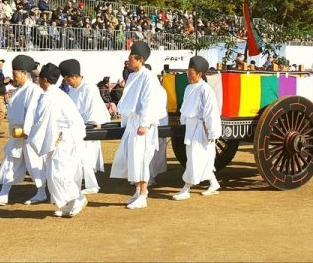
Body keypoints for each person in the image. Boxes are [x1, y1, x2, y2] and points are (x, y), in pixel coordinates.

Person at [110, 42, 168, 209]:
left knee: (141, 159)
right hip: (132, 123)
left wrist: (144, 123)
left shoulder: (148, 77)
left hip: (143, 124)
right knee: (131, 158)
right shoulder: (133, 76)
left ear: (140, 60)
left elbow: (148, 101)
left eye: (131, 58)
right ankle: (137, 190)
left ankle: (143, 193)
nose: (128, 61)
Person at [0, 55, 47, 206]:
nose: (14, 77)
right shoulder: (19, 90)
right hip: (17, 134)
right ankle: (3, 193)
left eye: (16, 74)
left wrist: (26, 131)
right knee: (10, 162)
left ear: (25, 73)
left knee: (35, 164)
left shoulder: (33, 90)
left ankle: (41, 192)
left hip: (27, 134)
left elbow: (32, 112)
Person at [28, 63, 88, 217]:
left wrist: (31, 134)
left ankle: (78, 198)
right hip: (65, 138)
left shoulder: (49, 97)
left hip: (63, 140)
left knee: (58, 174)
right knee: (60, 173)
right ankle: (68, 204)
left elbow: (41, 121)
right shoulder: (60, 94)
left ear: (45, 80)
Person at [173, 56, 222, 200]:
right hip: (190, 127)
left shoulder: (206, 90)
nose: (189, 76)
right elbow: (185, 108)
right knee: (199, 158)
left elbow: (210, 112)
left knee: (195, 158)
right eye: (188, 73)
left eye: (191, 73)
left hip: (201, 128)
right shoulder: (188, 88)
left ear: (199, 74)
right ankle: (214, 184)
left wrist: (212, 132)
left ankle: (186, 188)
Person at [59, 59, 110, 195]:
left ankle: (92, 185)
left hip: (89, 125)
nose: (67, 82)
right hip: (77, 126)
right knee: (79, 157)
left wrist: (93, 124)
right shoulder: (73, 89)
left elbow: (93, 107)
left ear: (75, 76)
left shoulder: (89, 87)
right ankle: (86, 182)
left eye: (68, 79)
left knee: (87, 157)